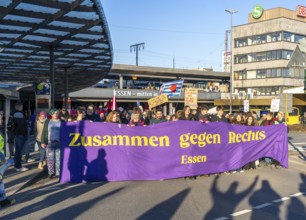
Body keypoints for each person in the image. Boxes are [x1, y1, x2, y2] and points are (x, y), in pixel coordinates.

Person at [41, 109, 62, 178]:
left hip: (59, 142)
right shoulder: (47, 122)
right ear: (51, 114)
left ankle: (58, 173)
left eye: (57, 113)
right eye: (54, 113)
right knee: (50, 159)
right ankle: (51, 173)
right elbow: (44, 132)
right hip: (50, 142)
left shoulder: (62, 121)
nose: (56, 114)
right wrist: (43, 141)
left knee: (58, 158)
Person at [10, 101, 29, 172]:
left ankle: (17, 164)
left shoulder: (14, 113)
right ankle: (18, 166)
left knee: (17, 151)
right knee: (18, 151)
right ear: (19, 106)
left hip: (17, 134)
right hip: (20, 135)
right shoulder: (19, 114)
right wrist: (25, 134)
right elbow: (21, 126)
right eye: (22, 106)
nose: (22, 107)